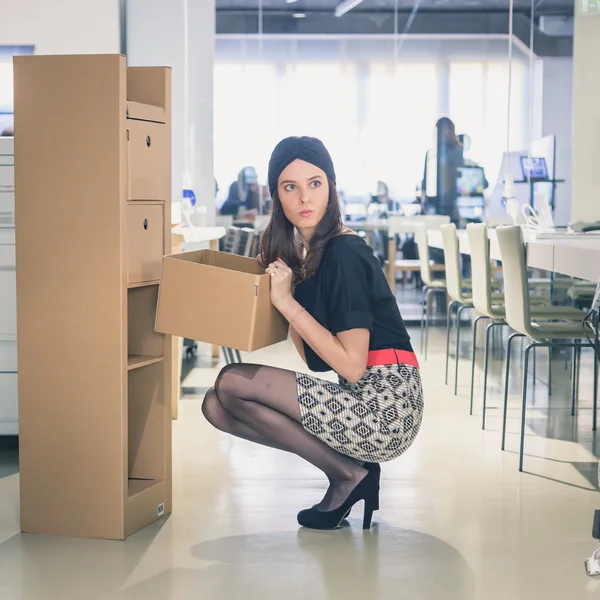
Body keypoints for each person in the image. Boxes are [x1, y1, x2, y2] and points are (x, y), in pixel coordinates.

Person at [202, 136, 424, 530]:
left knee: (232, 381)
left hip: (387, 409)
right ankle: (348, 471)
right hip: (358, 402)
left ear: (332, 187)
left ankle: (346, 476)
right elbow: (317, 361)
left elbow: (353, 368)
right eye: (291, 187)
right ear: (277, 196)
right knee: (215, 405)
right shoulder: (314, 257)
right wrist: (284, 292)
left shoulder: (345, 252)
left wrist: (288, 304)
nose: (305, 198)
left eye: (315, 183)